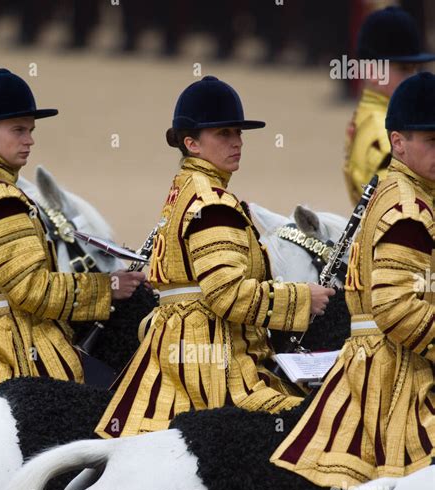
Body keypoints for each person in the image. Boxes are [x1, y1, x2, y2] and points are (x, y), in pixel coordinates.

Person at [95, 76, 334, 438]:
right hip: (212, 363)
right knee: (313, 427)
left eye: (238, 133)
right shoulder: (214, 204)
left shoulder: (185, 191)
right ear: (191, 143)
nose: (237, 142)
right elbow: (227, 294)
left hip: (174, 355)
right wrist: (303, 298)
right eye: (223, 134)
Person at [272, 71, 435, 488]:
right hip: (397, 374)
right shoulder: (408, 207)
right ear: (398, 142)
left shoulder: (397, 191)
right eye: (432, 141)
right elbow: (397, 308)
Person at [0, 68, 145, 404]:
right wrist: (109, 288)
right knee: (118, 406)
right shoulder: (1, 198)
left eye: (30, 130)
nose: (29, 140)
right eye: (19, 130)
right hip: (22, 347)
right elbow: (30, 289)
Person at [343, 6, 435, 205]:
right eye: (403, 69)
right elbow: (399, 202)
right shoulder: (383, 129)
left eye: (415, 69)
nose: (414, 78)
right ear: (373, 71)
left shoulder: (368, 115)